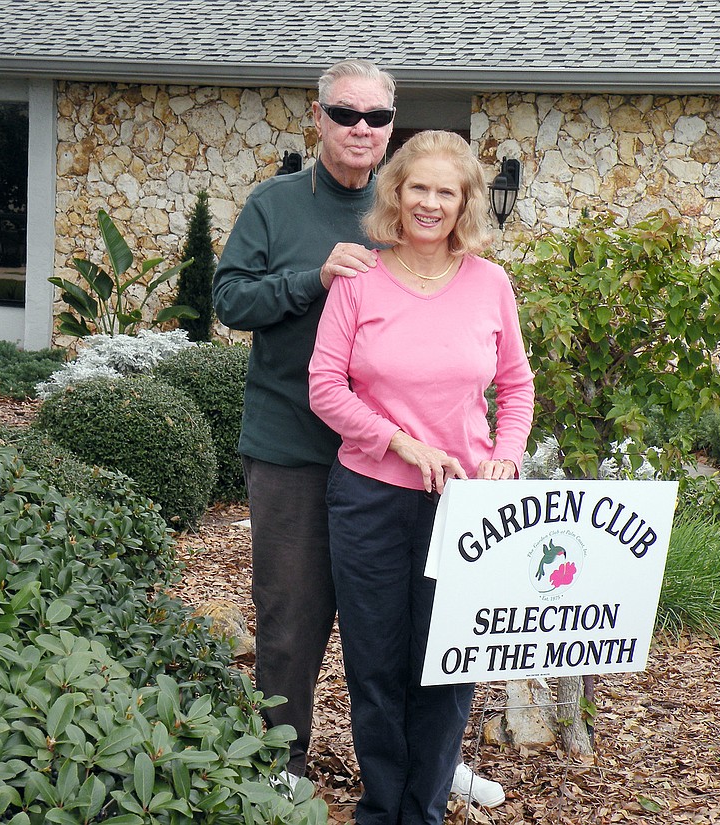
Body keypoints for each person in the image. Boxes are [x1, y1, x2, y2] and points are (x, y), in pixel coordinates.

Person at [213, 60, 504, 804]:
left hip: (407, 465)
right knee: (293, 620)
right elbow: (229, 300)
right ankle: (284, 762)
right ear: (319, 119)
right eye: (346, 114)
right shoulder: (278, 204)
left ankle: (429, 766)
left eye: (376, 118)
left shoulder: (407, 202)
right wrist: (310, 277)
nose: (361, 130)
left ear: (391, 129)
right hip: (295, 446)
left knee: (424, 623)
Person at [308, 130, 534, 824]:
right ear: (395, 194)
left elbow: (516, 387)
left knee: (447, 667)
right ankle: (381, 809)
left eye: (446, 191)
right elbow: (324, 386)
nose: (430, 203)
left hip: (462, 507)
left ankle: (424, 809)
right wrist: (398, 440)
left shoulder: (489, 283)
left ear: (465, 201)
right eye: (418, 188)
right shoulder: (360, 279)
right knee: (376, 669)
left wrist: (506, 452)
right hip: (369, 498)